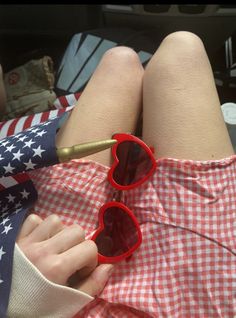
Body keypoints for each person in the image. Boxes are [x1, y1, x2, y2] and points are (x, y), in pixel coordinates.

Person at [4, 31, 236, 317]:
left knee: (122, 62)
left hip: (47, 277)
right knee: (182, 50)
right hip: (201, 302)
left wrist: (17, 298)